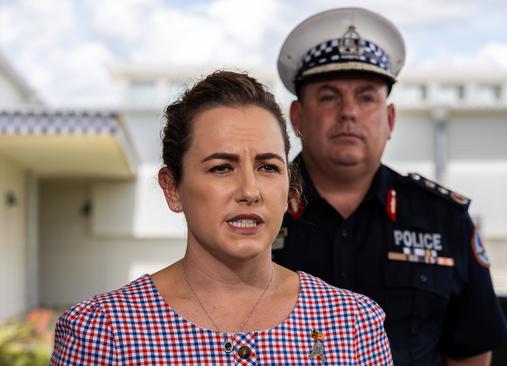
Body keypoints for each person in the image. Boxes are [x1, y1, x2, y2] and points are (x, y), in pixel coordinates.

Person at [50, 70, 393, 365]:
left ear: (291, 189)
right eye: (221, 168)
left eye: (267, 167)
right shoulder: (105, 331)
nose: (249, 190)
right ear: (173, 188)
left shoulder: (352, 324)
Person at [272, 8, 507, 366]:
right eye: (328, 96)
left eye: (367, 97)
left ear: (390, 119)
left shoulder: (444, 221)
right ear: (297, 117)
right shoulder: (256, 209)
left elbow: (470, 355)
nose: (349, 112)